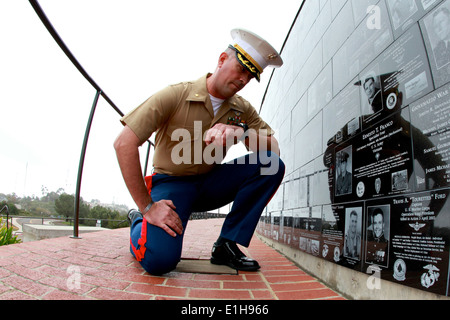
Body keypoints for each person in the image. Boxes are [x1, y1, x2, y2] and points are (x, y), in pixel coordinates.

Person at [114, 29, 285, 275]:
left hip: (211, 183)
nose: (244, 80)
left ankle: (226, 245)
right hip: (172, 185)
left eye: (251, 76)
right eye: (242, 68)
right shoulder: (176, 94)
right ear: (222, 60)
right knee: (159, 261)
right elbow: (123, 144)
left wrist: (243, 132)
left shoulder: (242, 109)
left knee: (271, 163)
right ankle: (137, 221)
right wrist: (147, 206)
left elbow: (274, 150)